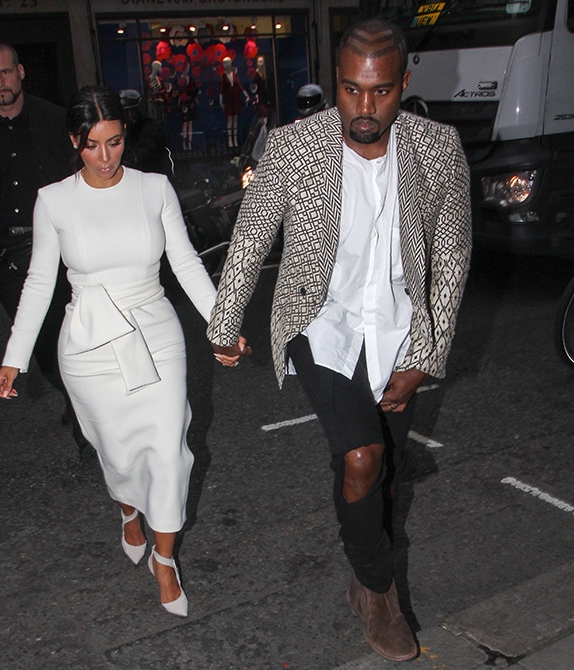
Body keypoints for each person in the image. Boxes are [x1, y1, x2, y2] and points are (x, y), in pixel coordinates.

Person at [207, 19, 472, 662]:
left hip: (399, 332)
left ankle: (363, 565)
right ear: (337, 83)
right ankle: (377, 593)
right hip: (319, 325)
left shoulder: (438, 148)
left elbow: (453, 257)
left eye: (379, 92)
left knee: (377, 471)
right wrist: (225, 321)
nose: (363, 107)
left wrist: (424, 357)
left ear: (402, 84)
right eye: (350, 90)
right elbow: (251, 237)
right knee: (361, 457)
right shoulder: (296, 147)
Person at [0, 85, 240, 615]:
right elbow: (40, 283)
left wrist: (225, 322)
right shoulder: (54, 200)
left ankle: (166, 559)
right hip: (89, 343)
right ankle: (129, 508)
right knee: (118, 452)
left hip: (156, 333)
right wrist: (15, 356)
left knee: (171, 451)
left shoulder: (154, 189)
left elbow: (188, 264)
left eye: (115, 142)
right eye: (92, 145)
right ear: (73, 141)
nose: (105, 158)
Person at [0, 42, 92, 460]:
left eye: (6, 73)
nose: (0, 83)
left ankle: (88, 429)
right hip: (8, 255)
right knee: (43, 347)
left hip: (60, 247)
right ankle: (76, 402)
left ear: (20, 72)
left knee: (76, 336)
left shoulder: (53, 118)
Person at [119, 88, 174, 177]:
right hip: (135, 178)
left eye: (132, 111)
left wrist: (126, 160)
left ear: (138, 109)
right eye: (125, 113)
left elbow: (147, 150)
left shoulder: (149, 126)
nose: (129, 116)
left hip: (154, 176)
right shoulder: (123, 130)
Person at [219, 56, 249, 148]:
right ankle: (229, 140)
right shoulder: (223, 76)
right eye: (224, 63)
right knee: (230, 119)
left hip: (235, 99)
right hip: (228, 100)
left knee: (235, 119)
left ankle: (235, 139)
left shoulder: (234, 75)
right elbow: (221, 90)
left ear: (230, 63)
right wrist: (220, 101)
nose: (225, 65)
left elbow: (240, 86)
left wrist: (246, 95)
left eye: (226, 63)